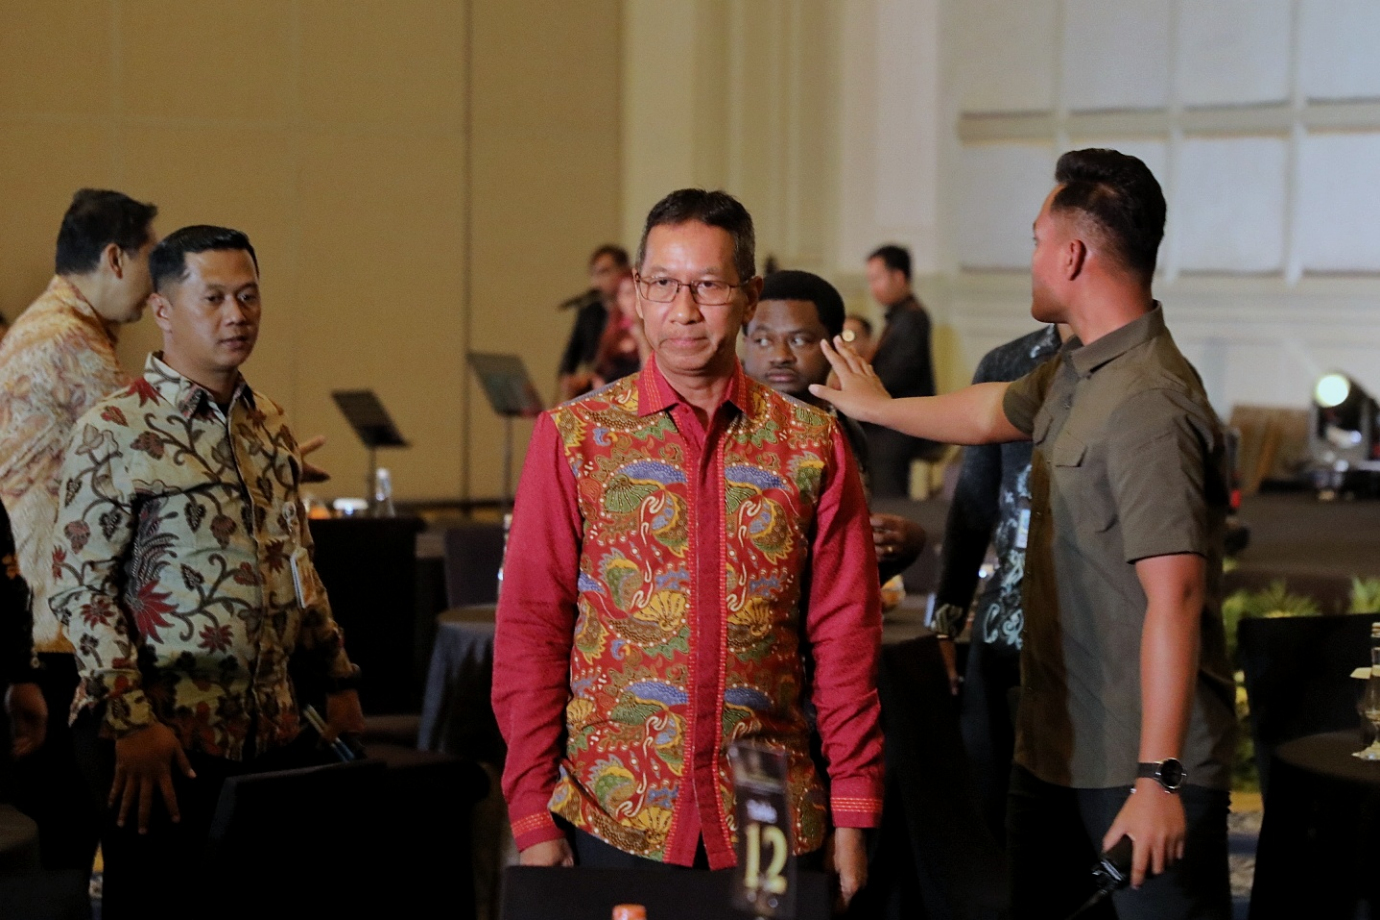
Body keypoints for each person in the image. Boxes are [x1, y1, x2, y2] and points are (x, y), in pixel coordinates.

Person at [813, 149, 1235, 919]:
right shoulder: (1079, 370)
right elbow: (986, 411)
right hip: (1056, 752)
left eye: (1037, 240)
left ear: (1072, 255)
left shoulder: (1149, 401)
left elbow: (1174, 599)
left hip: (1135, 766)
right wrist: (876, 407)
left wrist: (1159, 779)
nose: (1031, 259)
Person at [493, 190, 884, 908]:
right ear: (637, 292)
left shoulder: (811, 443)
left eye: (708, 286)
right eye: (663, 284)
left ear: (749, 297)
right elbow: (531, 630)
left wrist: (854, 808)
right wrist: (530, 810)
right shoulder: (577, 438)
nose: (683, 310)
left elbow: (846, 636)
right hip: (613, 806)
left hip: (768, 807)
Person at [49, 225, 364, 920]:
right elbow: (81, 587)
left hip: (268, 731)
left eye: (248, 297)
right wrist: (132, 722)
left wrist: (337, 678)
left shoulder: (267, 423)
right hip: (158, 738)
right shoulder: (116, 427)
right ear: (163, 309)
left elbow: (296, 564)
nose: (236, 315)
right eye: (214, 298)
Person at [0, 188, 158, 873]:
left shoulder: (50, 325)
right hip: (59, 617)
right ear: (116, 258)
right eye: (153, 259)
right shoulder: (68, 339)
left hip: (41, 609)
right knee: (77, 827)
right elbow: (148, 452)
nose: (160, 280)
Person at [930, 323, 1064, 842]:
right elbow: (972, 508)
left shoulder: (1138, 371)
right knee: (991, 815)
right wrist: (943, 627)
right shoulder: (1008, 364)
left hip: (1094, 649)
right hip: (1002, 637)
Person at [741, 269, 925, 581]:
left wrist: (898, 544)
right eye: (763, 341)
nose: (780, 356)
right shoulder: (730, 429)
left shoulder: (843, 429)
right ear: (744, 343)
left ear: (835, 346)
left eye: (799, 340)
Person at [862, 244, 938, 497]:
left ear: (898, 277)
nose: (872, 287)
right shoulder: (900, 316)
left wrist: (863, 385)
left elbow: (900, 374)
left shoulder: (912, 318)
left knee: (879, 457)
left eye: (877, 278)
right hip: (895, 413)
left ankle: (886, 511)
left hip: (904, 419)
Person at [557, 244, 632, 400]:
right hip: (594, 392)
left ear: (623, 271)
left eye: (604, 272)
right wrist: (568, 378)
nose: (597, 281)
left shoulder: (633, 313)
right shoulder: (589, 311)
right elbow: (571, 353)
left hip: (624, 391)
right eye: (594, 274)